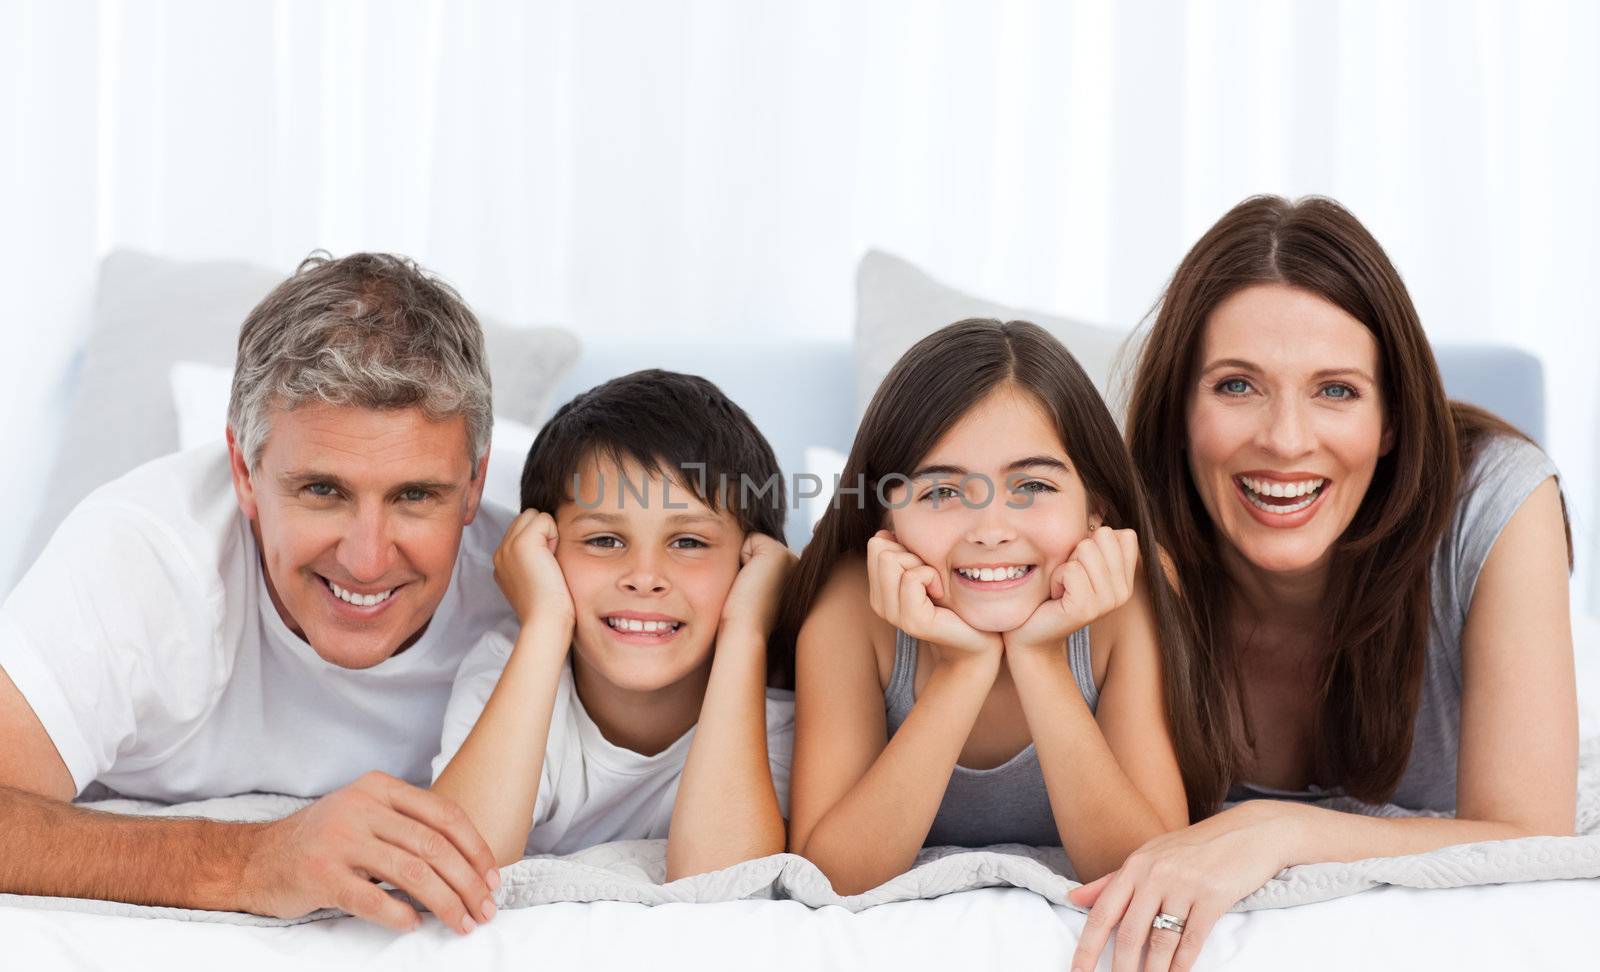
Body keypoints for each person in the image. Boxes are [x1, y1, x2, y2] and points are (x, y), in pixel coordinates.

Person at [1069, 195, 1577, 972]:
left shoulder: (1498, 500)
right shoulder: (1117, 545)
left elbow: (1530, 834)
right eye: (1237, 385)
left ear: (1393, 420)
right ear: (1179, 410)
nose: (1285, 440)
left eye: (1335, 390)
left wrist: (1281, 831)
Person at [0, 253, 519, 935]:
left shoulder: (535, 585)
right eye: (322, 491)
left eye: (415, 495)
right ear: (245, 471)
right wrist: (250, 862)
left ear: (476, 483)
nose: (366, 560)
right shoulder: (143, 554)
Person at [781, 318, 1215, 896]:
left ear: (1096, 510)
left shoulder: (1124, 601)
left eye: (1031, 487)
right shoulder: (849, 610)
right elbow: (831, 876)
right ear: (885, 521)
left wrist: (1040, 657)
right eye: (941, 492)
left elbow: (1146, 865)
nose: (990, 531)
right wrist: (963, 669)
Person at [430, 370, 796, 878]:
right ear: (541, 550)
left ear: (753, 563)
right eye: (604, 540)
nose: (644, 578)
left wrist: (746, 630)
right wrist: (545, 622)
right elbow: (455, 861)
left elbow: (724, 883)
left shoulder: (775, 706)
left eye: (689, 542)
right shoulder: (511, 664)